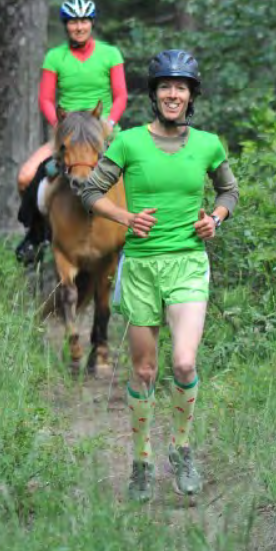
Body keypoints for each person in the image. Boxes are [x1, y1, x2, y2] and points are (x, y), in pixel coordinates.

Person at [79, 50, 239, 503]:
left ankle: (183, 449)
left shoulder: (208, 143)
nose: (173, 94)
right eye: (165, 86)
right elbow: (91, 190)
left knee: (184, 363)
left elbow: (228, 189)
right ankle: (142, 460)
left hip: (188, 262)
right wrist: (126, 217)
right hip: (142, 267)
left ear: (191, 96)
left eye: (181, 87)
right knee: (145, 370)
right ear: (154, 95)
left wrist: (217, 218)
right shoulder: (128, 142)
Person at [15, 0, 127, 264]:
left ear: (91, 23)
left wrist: (108, 124)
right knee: (25, 176)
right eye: (74, 22)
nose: (79, 27)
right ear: (66, 25)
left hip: (103, 131)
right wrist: (60, 127)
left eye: (84, 21)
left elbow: (121, 95)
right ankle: (38, 234)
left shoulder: (110, 54)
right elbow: (45, 98)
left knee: (139, 174)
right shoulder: (55, 56)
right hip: (68, 134)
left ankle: (139, 234)